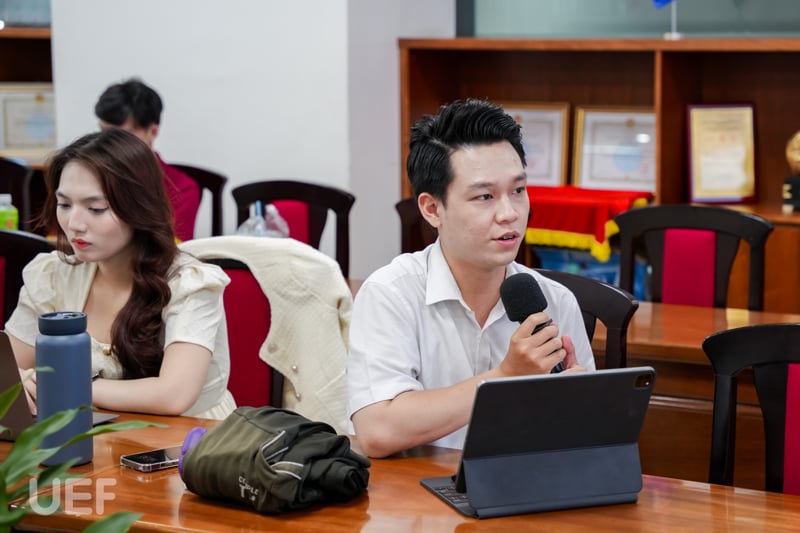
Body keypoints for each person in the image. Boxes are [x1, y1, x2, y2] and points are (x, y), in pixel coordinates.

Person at [347, 99, 595, 457]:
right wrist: (507, 376)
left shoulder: (555, 300)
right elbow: (378, 430)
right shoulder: (391, 294)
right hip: (417, 490)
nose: (509, 214)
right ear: (432, 209)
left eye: (518, 191)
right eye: (484, 196)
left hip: (523, 482)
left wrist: (576, 407)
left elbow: (587, 441)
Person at [6, 128, 235, 419]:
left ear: (139, 208)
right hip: (91, 433)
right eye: (64, 204)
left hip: (190, 438)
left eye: (96, 209)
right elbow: (10, 368)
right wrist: (23, 379)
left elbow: (174, 395)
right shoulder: (53, 274)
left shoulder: (189, 282)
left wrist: (65, 387)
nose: (74, 223)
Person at [95, 78, 200, 241]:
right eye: (103, 132)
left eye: (121, 135)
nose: (108, 144)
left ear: (152, 132)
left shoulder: (181, 189)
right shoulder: (91, 175)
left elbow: (169, 248)